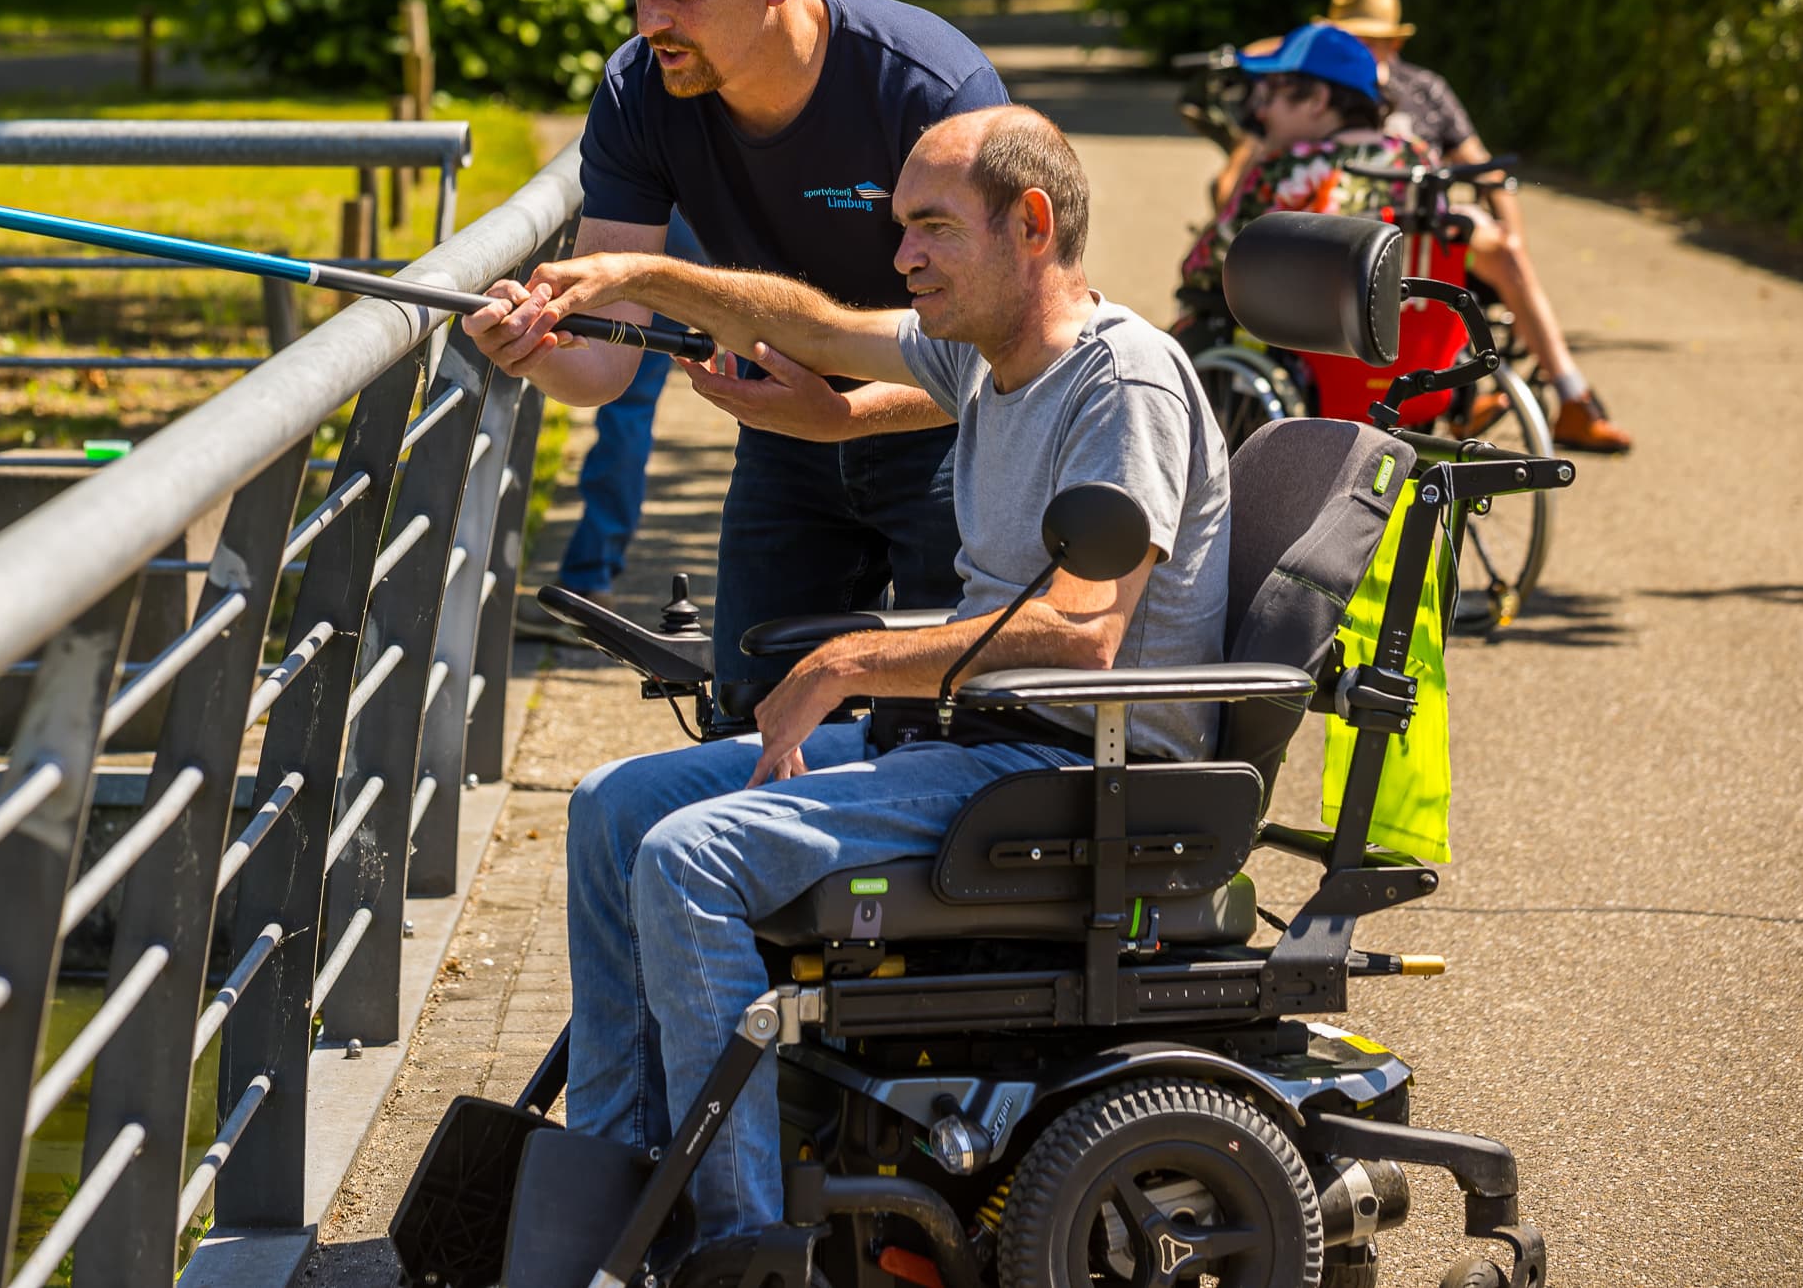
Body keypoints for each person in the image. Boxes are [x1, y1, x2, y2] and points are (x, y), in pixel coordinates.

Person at [460, 104, 1230, 1241]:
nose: (901, 254)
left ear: (1029, 223)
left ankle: (742, 1238)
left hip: (1072, 762)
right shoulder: (993, 358)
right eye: (898, 226)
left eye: (929, 228)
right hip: (972, 738)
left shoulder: (1123, 387)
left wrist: (854, 658)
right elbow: (815, 324)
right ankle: (617, 1185)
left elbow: (1083, 632)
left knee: (689, 857)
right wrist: (638, 274)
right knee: (614, 805)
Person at [491, 0, 1008, 692]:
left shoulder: (931, 92)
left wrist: (844, 419)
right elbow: (606, 361)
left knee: (947, 728)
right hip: (782, 437)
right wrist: (537, 347)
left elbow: (1006, 355)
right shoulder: (639, 90)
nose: (650, 19)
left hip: (952, 442)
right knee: (749, 712)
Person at [526, 0, 793, 631]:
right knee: (631, 359)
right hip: (697, 186)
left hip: (701, 198)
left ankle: (593, 576)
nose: (651, 16)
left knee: (634, 366)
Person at [1324, 0, 1634, 454]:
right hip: (1353, 227)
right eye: (1354, 38)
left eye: (1373, 38)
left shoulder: (1423, 89)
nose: (1366, 48)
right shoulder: (1318, 88)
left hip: (1428, 231)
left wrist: (1514, 232)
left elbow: (1482, 165)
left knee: (1505, 251)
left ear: (1392, 40)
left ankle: (1571, 396)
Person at [1174, 21, 1430, 349]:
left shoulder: (1286, 167)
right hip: (1399, 346)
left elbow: (1202, 267)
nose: (1262, 112)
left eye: (1272, 95)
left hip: (1300, 345)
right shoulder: (1415, 158)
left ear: (1317, 99)